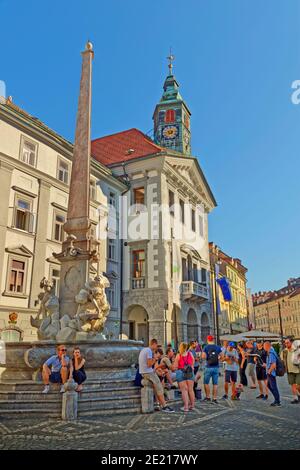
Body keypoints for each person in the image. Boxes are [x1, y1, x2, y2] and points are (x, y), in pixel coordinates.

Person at [138, 338, 174, 413]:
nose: (156, 348)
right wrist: (155, 359)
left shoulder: (144, 350)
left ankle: (159, 404)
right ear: (153, 344)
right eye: (156, 346)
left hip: (143, 372)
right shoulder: (149, 351)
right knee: (159, 386)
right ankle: (164, 406)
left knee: (157, 386)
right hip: (148, 372)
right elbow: (149, 364)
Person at [174, 342, 195, 412]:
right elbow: (193, 363)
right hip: (190, 372)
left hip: (181, 372)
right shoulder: (190, 354)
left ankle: (186, 407)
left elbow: (175, 366)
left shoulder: (178, 355)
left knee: (184, 390)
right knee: (191, 390)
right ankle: (192, 405)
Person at [202, 335, 222, 403]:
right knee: (215, 384)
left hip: (208, 367)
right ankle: (214, 398)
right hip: (216, 367)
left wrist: (207, 358)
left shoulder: (206, 347)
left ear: (207, 340)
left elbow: (203, 357)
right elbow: (222, 356)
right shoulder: (217, 347)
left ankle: (208, 397)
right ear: (213, 340)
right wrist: (218, 358)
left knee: (206, 383)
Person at [281, 337, 300, 404]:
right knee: (293, 385)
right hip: (289, 371)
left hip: (298, 370)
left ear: (292, 343)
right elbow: (281, 360)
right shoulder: (284, 351)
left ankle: (298, 395)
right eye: (285, 343)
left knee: (298, 385)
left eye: (287, 343)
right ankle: (295, 398)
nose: (286, 344)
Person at [264, 341, 281, 407]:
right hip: (270, 372)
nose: (263, 347)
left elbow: (273, 364)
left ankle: (277, 401)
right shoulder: (270, 352)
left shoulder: (271, 353)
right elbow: (270, 363)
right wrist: (266, 365)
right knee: (269, 385)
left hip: (271, 373)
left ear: (267, 346)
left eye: (264, 346)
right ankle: (276, 399)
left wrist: (269, 371)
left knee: (274, 387)